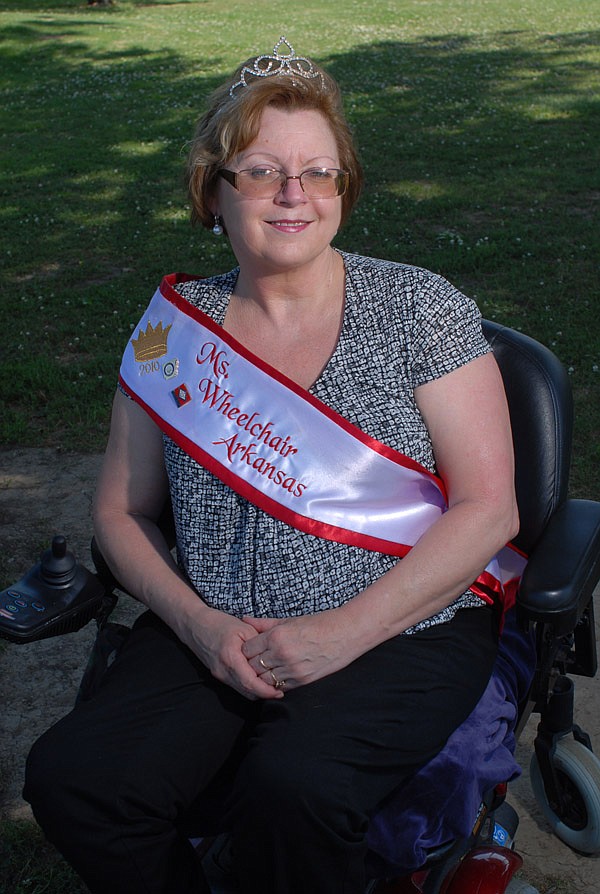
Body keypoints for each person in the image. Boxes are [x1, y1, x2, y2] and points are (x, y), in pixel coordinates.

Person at [24, 37, 519, 894]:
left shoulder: (421, 310)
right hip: (217, 629)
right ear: (213, 192)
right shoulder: (175, 332)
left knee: (297, 789)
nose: (294, 194)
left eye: (319, 172)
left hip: (403, 629)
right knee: (79, 782)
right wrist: (200, 628)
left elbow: (488, 510)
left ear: (344, 188)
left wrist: (340, 634)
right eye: (260, 171)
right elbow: (118, 513)